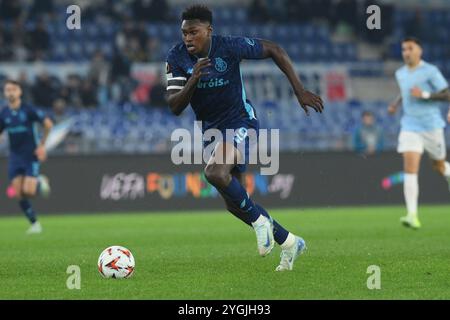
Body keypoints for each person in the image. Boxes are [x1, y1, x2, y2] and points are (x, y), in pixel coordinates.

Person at [166, 5, 323, 271]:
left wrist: (299, 90)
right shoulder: (176, 57)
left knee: (214, 173)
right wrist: (193, 79)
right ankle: (290, 242)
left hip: (240, 121)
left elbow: (275, 49)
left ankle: (260, 223)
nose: (188, 38)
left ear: (209, 31)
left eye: (194, 32)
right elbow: (174, 106)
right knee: (234, 205)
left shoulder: (229, 47)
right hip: (211, 132)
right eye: (184, 33)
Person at [388, 37, 450, 229]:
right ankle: (412, 214)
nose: (406, 52)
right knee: (410, 168)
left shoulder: (430, 71)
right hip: (409, 126)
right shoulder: (400, 73)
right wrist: (396, 104)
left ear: (419, 51)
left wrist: (424, 95)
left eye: (410, 48)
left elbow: (447, 93)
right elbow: (405, 91)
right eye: (403, 49)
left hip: (431, 126)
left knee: (438, 166)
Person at [0, 80, 53, 234]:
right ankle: (35, 224)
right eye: (7, 90)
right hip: (15, 156)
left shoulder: (28, 110)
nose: (10, 92)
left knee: (29, 191)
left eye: (13, 89)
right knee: (18, 193)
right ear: (4, 92)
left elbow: (48, 124)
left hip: (30, 155)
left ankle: (41, 181)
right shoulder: (4, 113)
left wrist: (42, 145)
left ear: (20, 92)